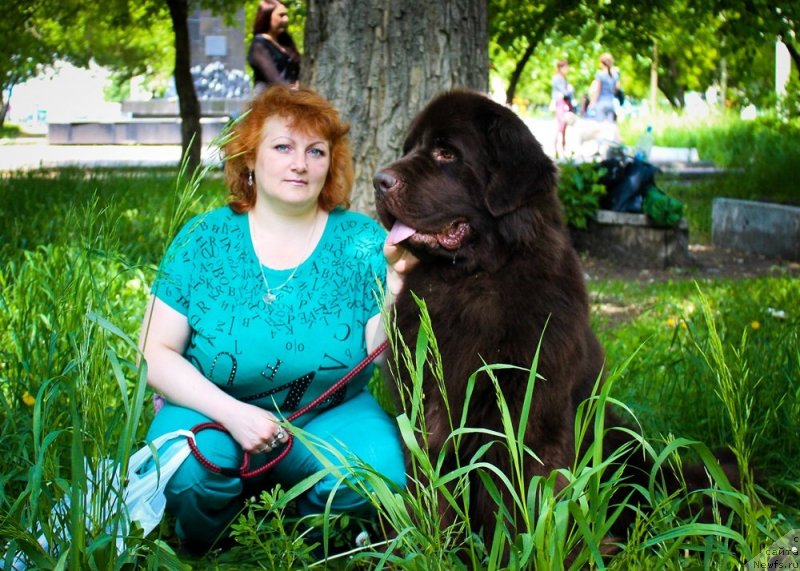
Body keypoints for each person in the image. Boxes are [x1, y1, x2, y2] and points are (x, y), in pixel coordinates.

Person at [138, 85, 408, 549]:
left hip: (328, 415)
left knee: (379, 472)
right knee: (188, 473)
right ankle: (214, 538)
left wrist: (399, 288)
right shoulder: (204, 237)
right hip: (211, 411)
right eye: (282, 147)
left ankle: (304, 538)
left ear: (331, 163)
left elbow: (381, 354)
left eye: (315, 151)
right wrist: (233, 414)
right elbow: (154, 352)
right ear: (249, 159)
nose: (300, 163)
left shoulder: (362, 240)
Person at [247, 0, 301, 93]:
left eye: (286, 15)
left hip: (292, 99)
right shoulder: (259, 45)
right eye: (281, 15)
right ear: (267, 16)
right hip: (268, 101)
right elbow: (274, 79)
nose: (286, 19)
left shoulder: (286, 42)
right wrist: (292, 89)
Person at [551, 59, 575, 157]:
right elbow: (565, 92)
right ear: (560, 68)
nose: (567, 69)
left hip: (565, 103)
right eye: (565, 67)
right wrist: (570, 90)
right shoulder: (557, 78)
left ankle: (563, 148)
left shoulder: (563, 78)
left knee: (564, 127)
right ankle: (556, 148)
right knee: (560, 126)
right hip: (560, 103)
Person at [589, 52, 620, 123]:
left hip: (601, 103)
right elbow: (616, 90)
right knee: (610, 128)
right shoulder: (615, 75)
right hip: (611, 103)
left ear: (602, 63)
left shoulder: (600, 74)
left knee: (600, 128)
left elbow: (598, 90)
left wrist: (592, 102)